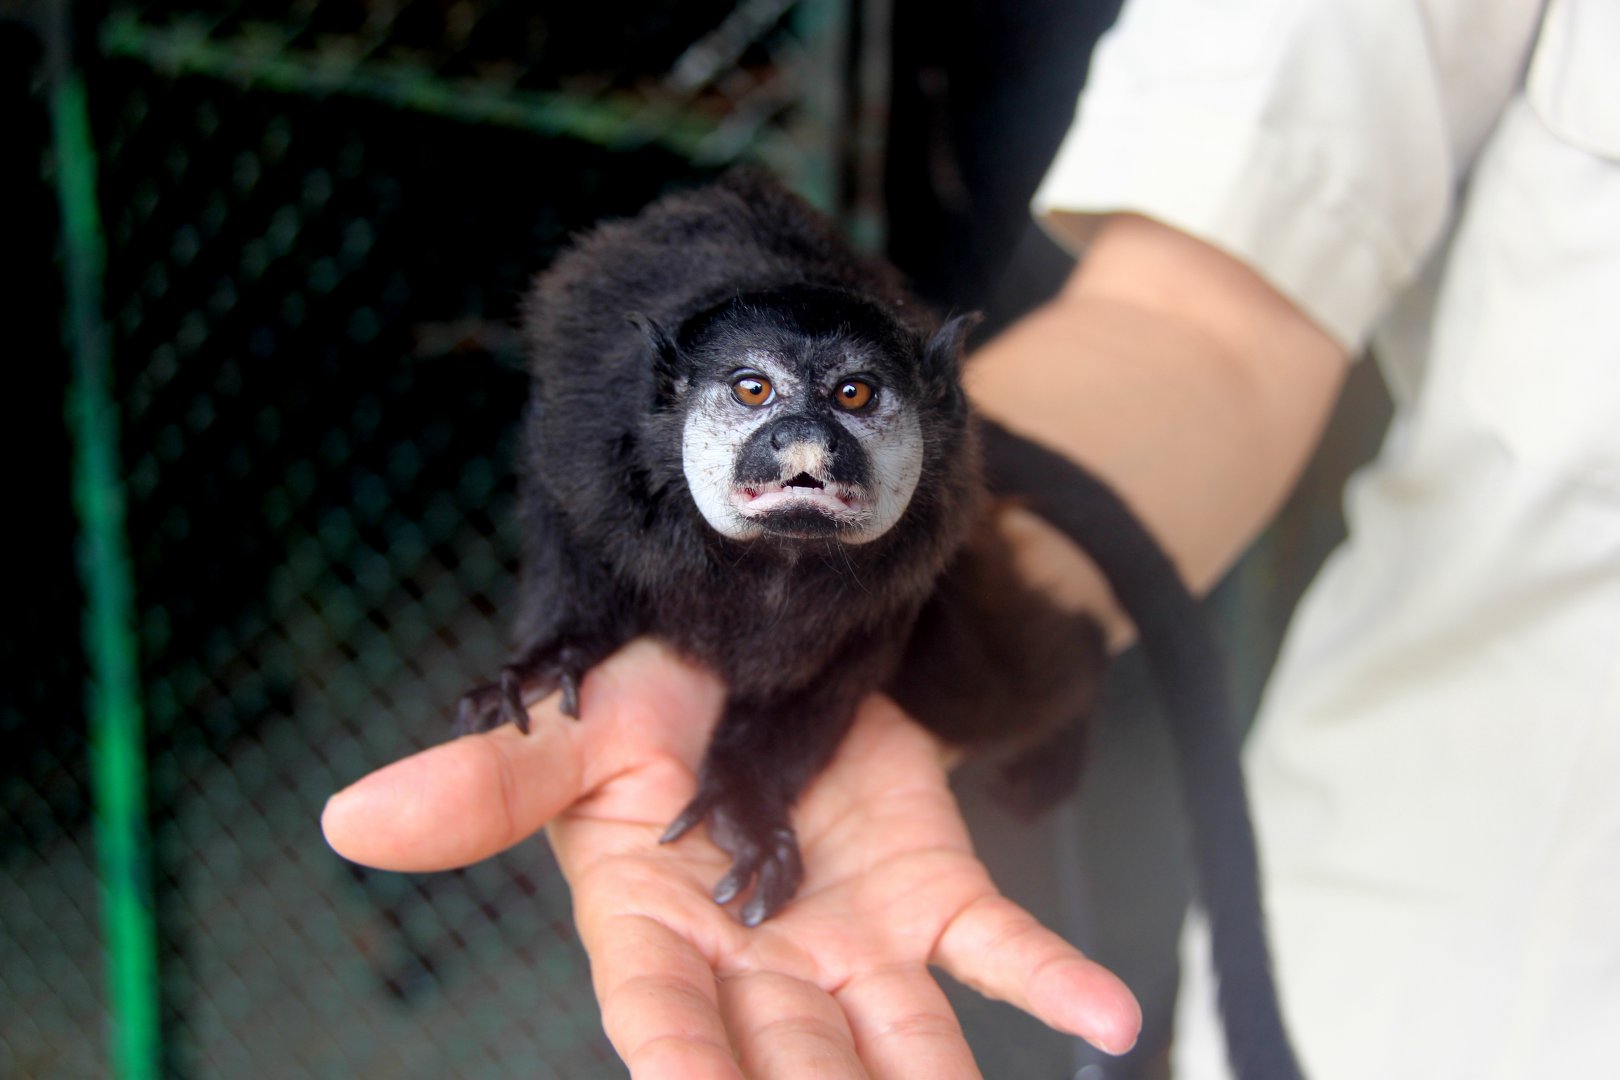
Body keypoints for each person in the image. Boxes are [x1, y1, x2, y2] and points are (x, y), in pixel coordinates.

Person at [325, 0, 1620, 1075]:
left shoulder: (909, 485)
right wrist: (569, 652)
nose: (807, 458)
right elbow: (1206, 327)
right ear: (672, 399)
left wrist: (776, 769)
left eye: (844, 414)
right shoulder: (603, 429)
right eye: (766, 412)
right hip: (1435, 951)